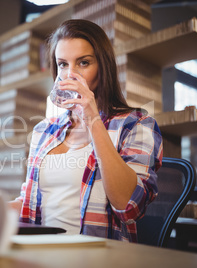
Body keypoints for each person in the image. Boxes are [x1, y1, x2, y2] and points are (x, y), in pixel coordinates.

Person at [9, 19, 163, 242]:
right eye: (62, 64)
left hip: (99, 256)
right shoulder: (44, 130)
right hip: (40, 253)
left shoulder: (137, 124)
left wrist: (92, 118)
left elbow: (128, 207)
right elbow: (27, 204)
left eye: (83, 63)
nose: (70, 75)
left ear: (103, 66)